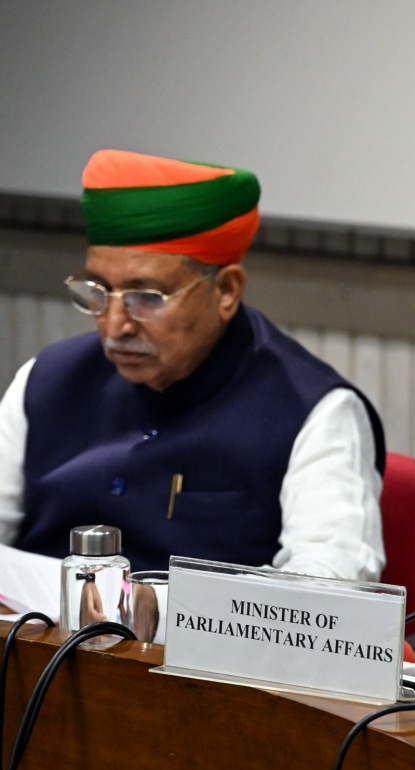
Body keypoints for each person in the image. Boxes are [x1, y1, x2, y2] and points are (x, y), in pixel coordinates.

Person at [0, 149, 386, 582]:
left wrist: (161, 606)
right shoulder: (47, 380)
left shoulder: (313, 410)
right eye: (98, 291)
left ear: (226, 290)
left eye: (146, 298)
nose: (115, 324)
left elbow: (330, 583)